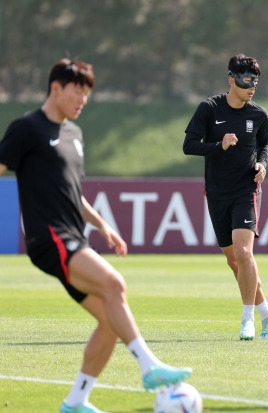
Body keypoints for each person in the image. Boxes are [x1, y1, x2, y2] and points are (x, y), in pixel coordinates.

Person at [0, 58, 192, 413]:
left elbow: (73, 192)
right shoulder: (27, 128)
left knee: (109, 320)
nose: (83, 100)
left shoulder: (74, 134)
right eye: (78, 91)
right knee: (115, 284)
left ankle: (75, 402)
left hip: (74, 236)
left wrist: (102, 224)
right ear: (55, 88)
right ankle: (149, 367)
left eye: (87, 93)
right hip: (49, 238)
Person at [183, 54, 268, 341]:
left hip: (246, 190)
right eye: (246, 80)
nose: (251, 86)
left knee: (244, 252)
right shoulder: (209, 109)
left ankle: (247, 319)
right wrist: (218, 145)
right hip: (217, 192)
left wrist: (262, 164)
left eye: (255, 81)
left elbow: (264, 144)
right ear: (231, 80)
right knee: (234, 261)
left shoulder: (259, 115)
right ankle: (267, 314)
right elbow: (189, 145)